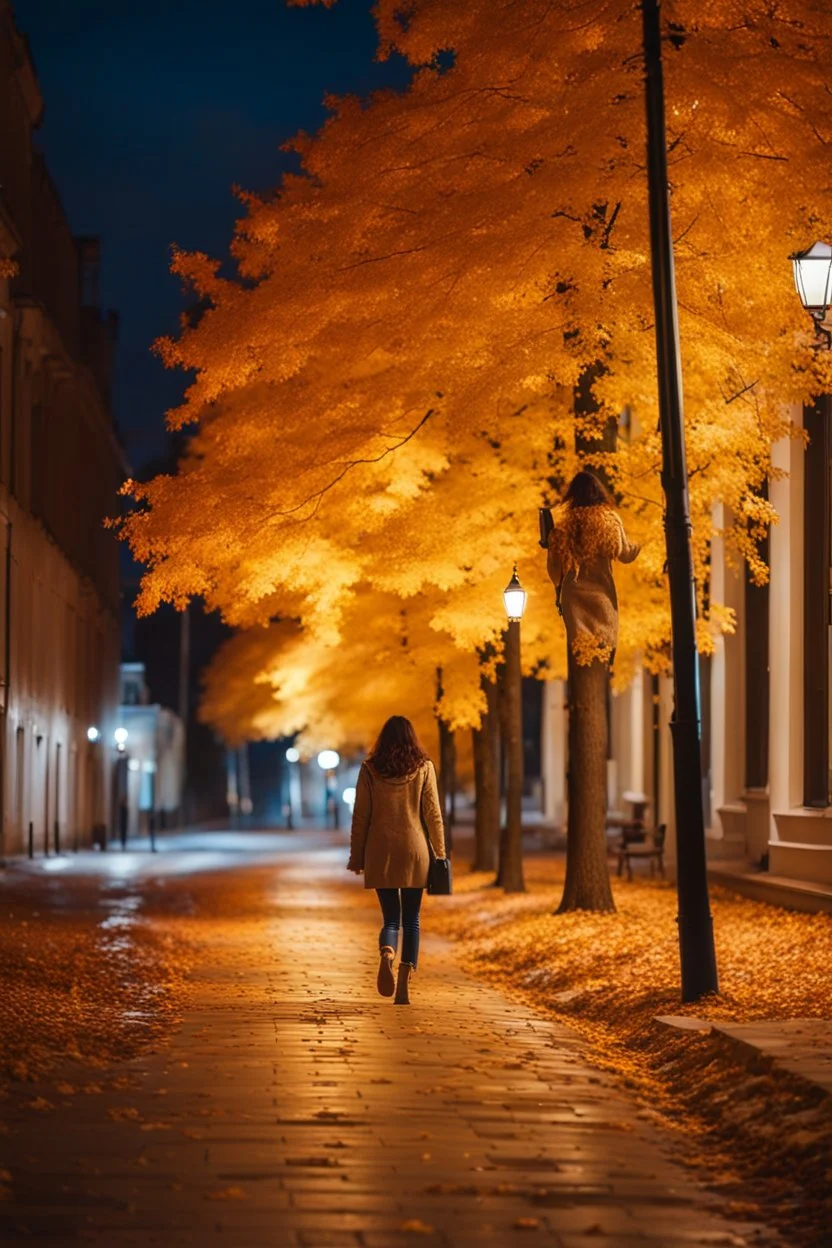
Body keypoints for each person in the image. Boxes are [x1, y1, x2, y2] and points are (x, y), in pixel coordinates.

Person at [347, 716, 446, 1005]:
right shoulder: (424, 768)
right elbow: (433, 814)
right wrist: (439, 853)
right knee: (412, 919)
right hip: (415, 851)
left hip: (381, 851)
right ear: (412, 738)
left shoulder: (369, 770)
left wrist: (357, 855)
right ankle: (405, 978)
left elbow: (360, 817)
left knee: (391, 917)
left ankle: (387, 952)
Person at [546, 469, 640, 666]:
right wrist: (643, 542)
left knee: (581, 656)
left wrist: (558, 587)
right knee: (603, 653)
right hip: (602, 595)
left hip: (574, 596)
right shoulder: (610, 521)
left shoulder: (563, 527)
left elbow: (554, 568)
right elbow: (625, 555)